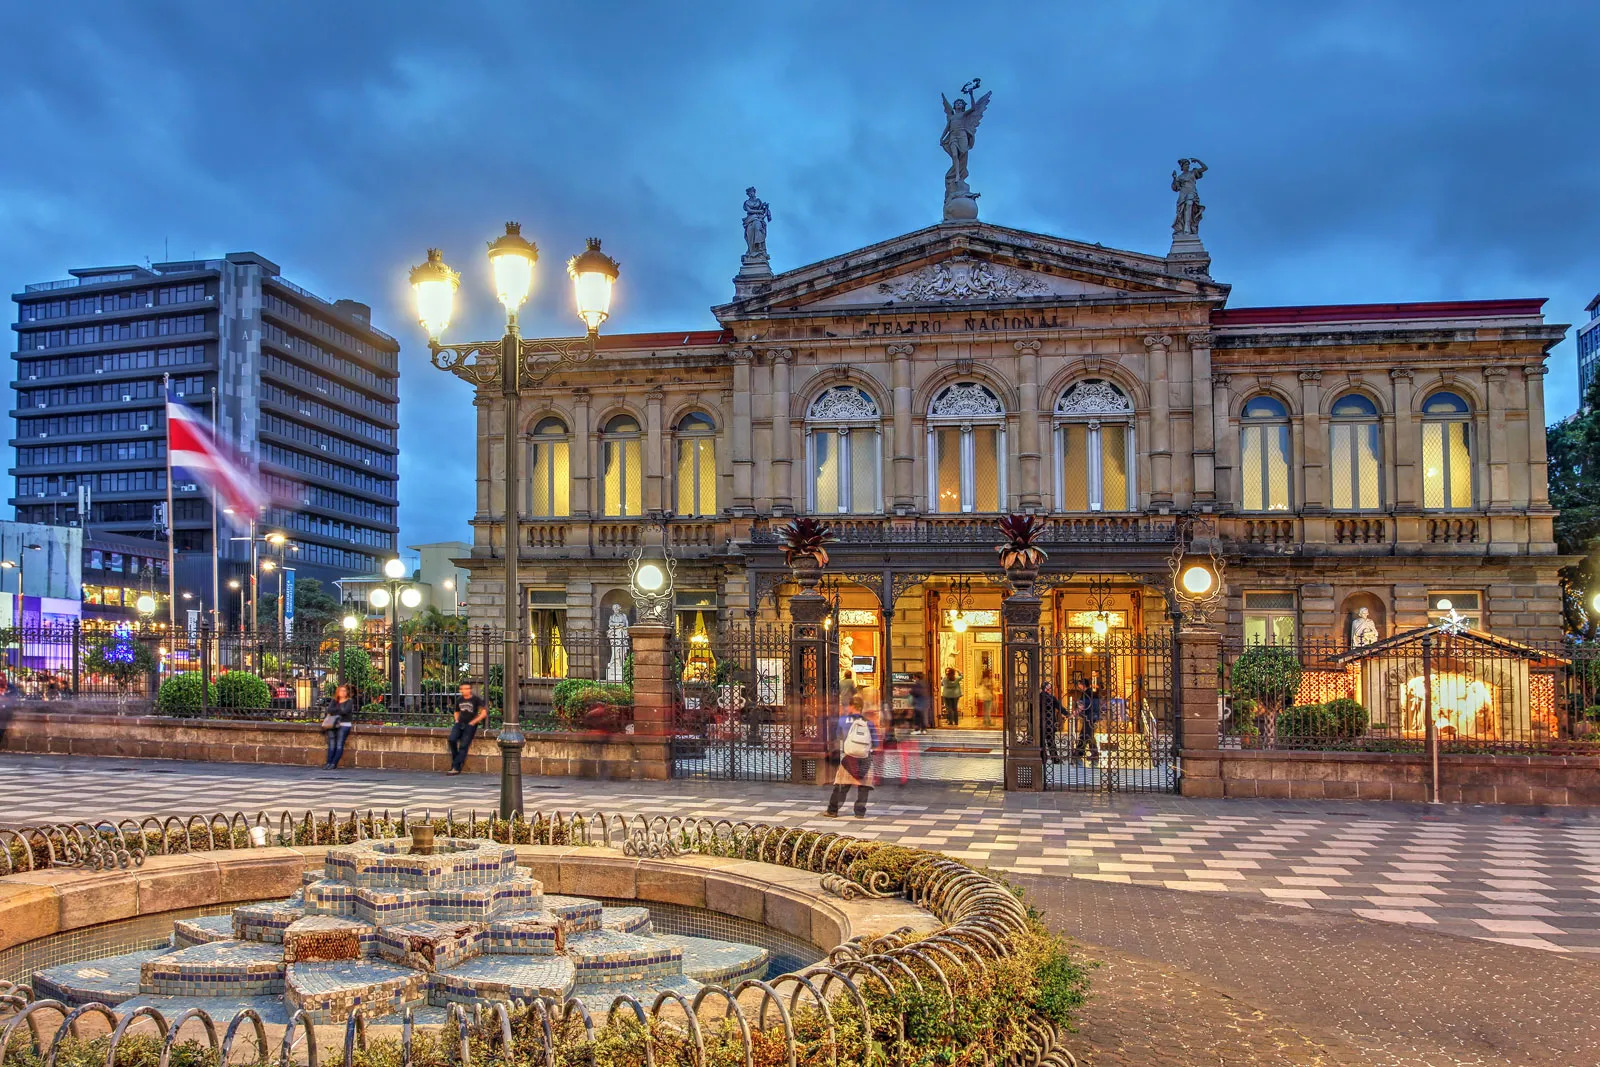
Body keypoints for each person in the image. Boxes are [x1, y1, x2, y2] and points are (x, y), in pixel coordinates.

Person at [824, 696, 878, 817]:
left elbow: (838, 736)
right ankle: (859, 812)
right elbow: (875, 742)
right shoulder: (868, 723)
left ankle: (833, 810)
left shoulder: (843, 720)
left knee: (842, 785)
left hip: (849, 757)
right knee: (864, 786)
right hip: (865, 758)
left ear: (852, 706)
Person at [447, 682, 488, 775]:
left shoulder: (475, 699)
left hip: (470, 725)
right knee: (452, 740)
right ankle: (457, 762)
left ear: (470, 689)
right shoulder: (459, 699)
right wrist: (457, 720)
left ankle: (455, 767)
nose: (465, 690)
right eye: (463, 689)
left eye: (467, 688)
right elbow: (456, 711)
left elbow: (484, 712)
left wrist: (474, 722)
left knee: (463, 745)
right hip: (460, 723)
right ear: (460, 690)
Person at [323, 684, 357, 770]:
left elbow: (345, 711)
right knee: (331, 745)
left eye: (344, 691)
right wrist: (339, 711)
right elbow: (329, 710)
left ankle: (334, 763)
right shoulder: (334, 701)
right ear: (337, 692)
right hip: (332, 724)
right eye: (341, 691)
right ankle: (328, 762)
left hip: (344, 724)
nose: (343, 692)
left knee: (339, 744)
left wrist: (336, 711)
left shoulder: (349, 701)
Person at [1071, 679, 1102, 764]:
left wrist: (1072, 714)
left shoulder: (1086, 694)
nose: (1078, 686)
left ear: (1082, 685)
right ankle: (1079, 752)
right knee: (1085, 734)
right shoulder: (1092, 692)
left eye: (1079, 684)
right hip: (1092, 716)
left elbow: (1081, 706)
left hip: (1089, 717)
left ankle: (1093, 753)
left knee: (1088, 735)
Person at [1041, 681, 1067, 763]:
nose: (1050, 689)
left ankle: (1042, 758)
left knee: (1041, 742)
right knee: (1051, 742)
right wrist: (1068, 714)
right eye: (1049, 688)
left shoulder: (1037, 697)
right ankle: (1054, 759)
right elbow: (1060, 708)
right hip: (1049, 723)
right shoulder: (1052, 698)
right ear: (1047, 689)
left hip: (1040, 723)